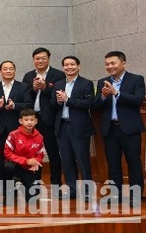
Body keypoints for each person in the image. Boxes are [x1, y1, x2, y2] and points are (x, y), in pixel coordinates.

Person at [94, 50, 146, 203]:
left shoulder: (136, 79)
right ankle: (115, 195)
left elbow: (138, 100)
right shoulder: (102, 81)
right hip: (110, 129)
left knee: (134, 163)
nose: (109, 66)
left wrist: (116, 93)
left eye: (113, 63)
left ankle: (135, 196)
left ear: (123, 63)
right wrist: (103, 96)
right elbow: (96, 105)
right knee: (113, 163)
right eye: (107, 64)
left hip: (130, 129)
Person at [52, 55, 95, 200]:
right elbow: (53, 104)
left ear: (78, 66)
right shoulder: (58, 84)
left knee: (82, 159)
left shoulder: (86, 83)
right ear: (63, 67)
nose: (69, 67)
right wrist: (58, 102)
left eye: (72, 64)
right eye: (66, 65)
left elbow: (89, 103)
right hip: (62, 127)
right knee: (67, 160)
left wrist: (68, 100)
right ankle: (71, 189)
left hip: (79, 127)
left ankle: (88, 190)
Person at [21, 47, 65, 187]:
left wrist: (45, 87)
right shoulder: (28, 76)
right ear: (33, 60)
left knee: (53, 152)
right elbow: (25, 96)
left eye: (43, 58)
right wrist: (34, 89)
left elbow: (58, 95)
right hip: (31, 120)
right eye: (37, 58)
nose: (40, 61)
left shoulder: (57, 75)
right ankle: (35, 182)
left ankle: (56, 182)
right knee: (32, 152)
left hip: (49, 119)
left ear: (48, 59)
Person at [0, 60, 32, 160]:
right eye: (5, 69)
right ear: (0, 71)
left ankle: (16, 176)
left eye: (11, 69)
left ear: (15, 71)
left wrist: (14, 106)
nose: (8, 71)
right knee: (0, 155)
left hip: (17, 126)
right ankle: (0, 176)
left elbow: (28, 105)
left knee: (18, 154)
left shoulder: (23, 87)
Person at [3, 109, 45, 203]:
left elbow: (40, 153)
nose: (29, 122)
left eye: (31, 119)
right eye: (26, 120)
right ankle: (10, 189)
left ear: (36, 121)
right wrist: (25, 161)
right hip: (15, 165)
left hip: (28, 168)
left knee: (32, 200)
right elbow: (7, 153)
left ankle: (21, 186)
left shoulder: (40, 137)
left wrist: (36, 162)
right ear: (20, 121)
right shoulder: (13, 134)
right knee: (7, 166)